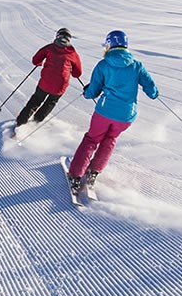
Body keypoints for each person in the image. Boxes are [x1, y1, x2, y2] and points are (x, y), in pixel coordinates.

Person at [67, 30, 158, 194]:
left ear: (109, 45)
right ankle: (94, 172)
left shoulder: (103, 65)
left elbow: (93, 91)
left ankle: (76, 175)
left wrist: (87, 92)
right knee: (110, 139)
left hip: (105, 112)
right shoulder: (137, 65)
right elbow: (150, 87)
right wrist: (154, 93)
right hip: (126, 116)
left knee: (92, 139)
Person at [15, 27, 83, 128]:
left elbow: (35, 60)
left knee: (36, 100)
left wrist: (39, 62)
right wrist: (71, 70)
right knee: (51, 102)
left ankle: (21, 122)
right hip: (60, 85)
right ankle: (36, 120)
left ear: (57, 36)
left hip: (45, 82)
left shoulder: (50, 47)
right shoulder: (72, 53)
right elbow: (77, 73)